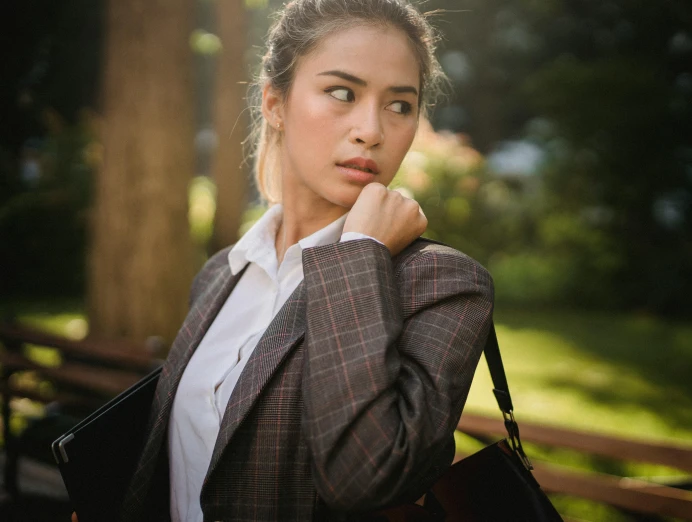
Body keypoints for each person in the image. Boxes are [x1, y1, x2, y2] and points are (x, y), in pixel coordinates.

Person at [74, 1, 495, 520]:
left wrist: (360, 255)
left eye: (400, 105)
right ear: (275, 102)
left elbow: (365, 477)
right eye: (342, 92)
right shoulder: (222, 273)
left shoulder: (444, 284)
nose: (371, 130)